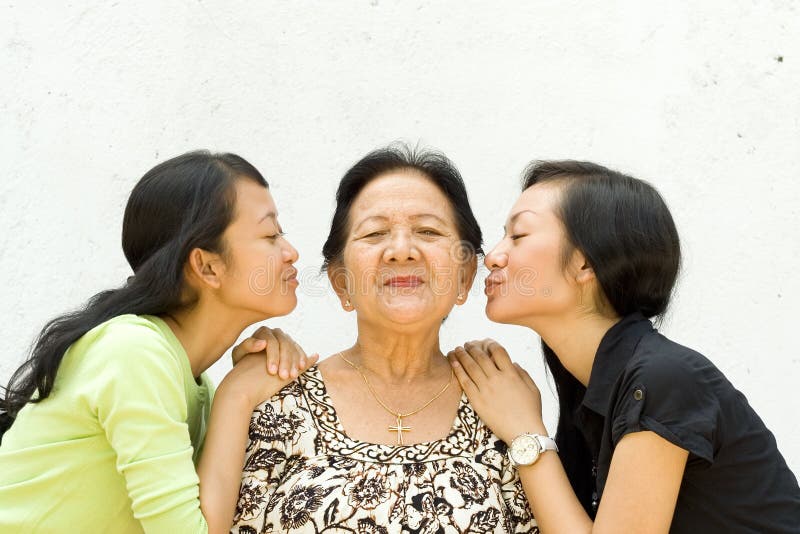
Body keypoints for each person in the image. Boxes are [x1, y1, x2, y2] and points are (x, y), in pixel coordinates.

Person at [448, 160, 800, 532]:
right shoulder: (589, 383)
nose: (493, 257)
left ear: (585, 262)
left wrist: (525, 435)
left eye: (518, 236)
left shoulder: (663, 378)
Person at [0, 150, 317, 533]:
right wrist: (238, 396)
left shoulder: (194, 387)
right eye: (270, 235)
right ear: (207, 266)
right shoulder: (134, 353)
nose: (291, 252)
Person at [231, 145, 537, 533]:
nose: (401, 251)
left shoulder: (504, 402)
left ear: (465, 278)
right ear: (340, 282)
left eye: (427, 231)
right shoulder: (274, 400)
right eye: (375, 233)